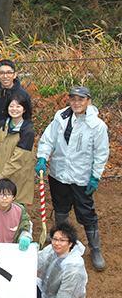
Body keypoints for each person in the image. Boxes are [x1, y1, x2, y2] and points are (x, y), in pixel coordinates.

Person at [36, 86, 109, 271]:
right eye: (73, 99)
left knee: (86, 213)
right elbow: (48, 139)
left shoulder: (97, 125)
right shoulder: (60, 118)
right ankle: (59, 240)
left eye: (81, 99)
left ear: (88, 101)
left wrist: (95, 177)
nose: (77, 103)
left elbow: (101, 153)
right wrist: (42, 157)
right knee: (60, 207)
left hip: (81, 177)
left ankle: (95, 249)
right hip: (58, 174)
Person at [34, 222, 88, 298]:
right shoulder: (51, 250)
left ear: (70, 244)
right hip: (48, 294)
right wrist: (30, 254)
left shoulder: (74, 270)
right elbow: (36, 264)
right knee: (28, 286)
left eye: (62, 240)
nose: (57, 243)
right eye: (55, 239)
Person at [0, 93, 35, 205]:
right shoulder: (1, 126)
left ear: (24, 109)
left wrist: (1, 176)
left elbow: (19, 159)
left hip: (17, 179)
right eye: (11, 106)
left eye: (18, 106)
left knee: (15, 210)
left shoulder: (27, 132)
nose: (14, 109)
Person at [0, 60, 32, 136]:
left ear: (15, 75)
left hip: (16, 135)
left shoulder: (22, 94)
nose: (5, 76)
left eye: (9, 73)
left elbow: (27, 116)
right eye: (2, 73)